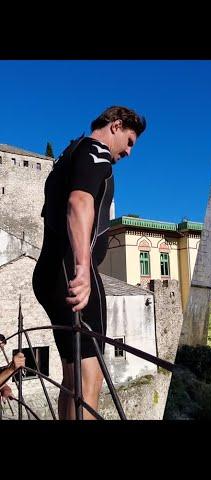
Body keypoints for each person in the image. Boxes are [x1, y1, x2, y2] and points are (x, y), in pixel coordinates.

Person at [32, 106, 146, 420]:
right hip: (71, 271)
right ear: (116, 125)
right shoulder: (95, 151)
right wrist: (83, 267)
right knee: (90, 377)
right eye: (130, 141)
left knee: (74, 376)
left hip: (53, 271)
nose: (129, 151)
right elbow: (79, 201)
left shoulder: (71, 151)